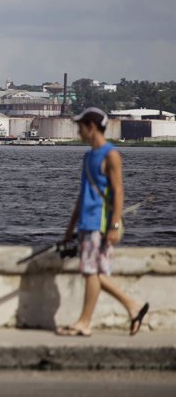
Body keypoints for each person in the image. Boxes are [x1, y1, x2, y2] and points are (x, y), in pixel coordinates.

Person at [56, 107, 149, 337]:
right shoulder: (88, 156)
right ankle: (132, 306)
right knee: (94, 272)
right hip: (86, 223)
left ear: (91, 126)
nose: (78, 130)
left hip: (100, 222)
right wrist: (70, 227)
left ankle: (85, 322)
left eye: (80, 126)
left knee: (91, 272)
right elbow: (82, 194)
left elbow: (118, 193)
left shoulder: (111, 155)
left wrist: (114, 226)